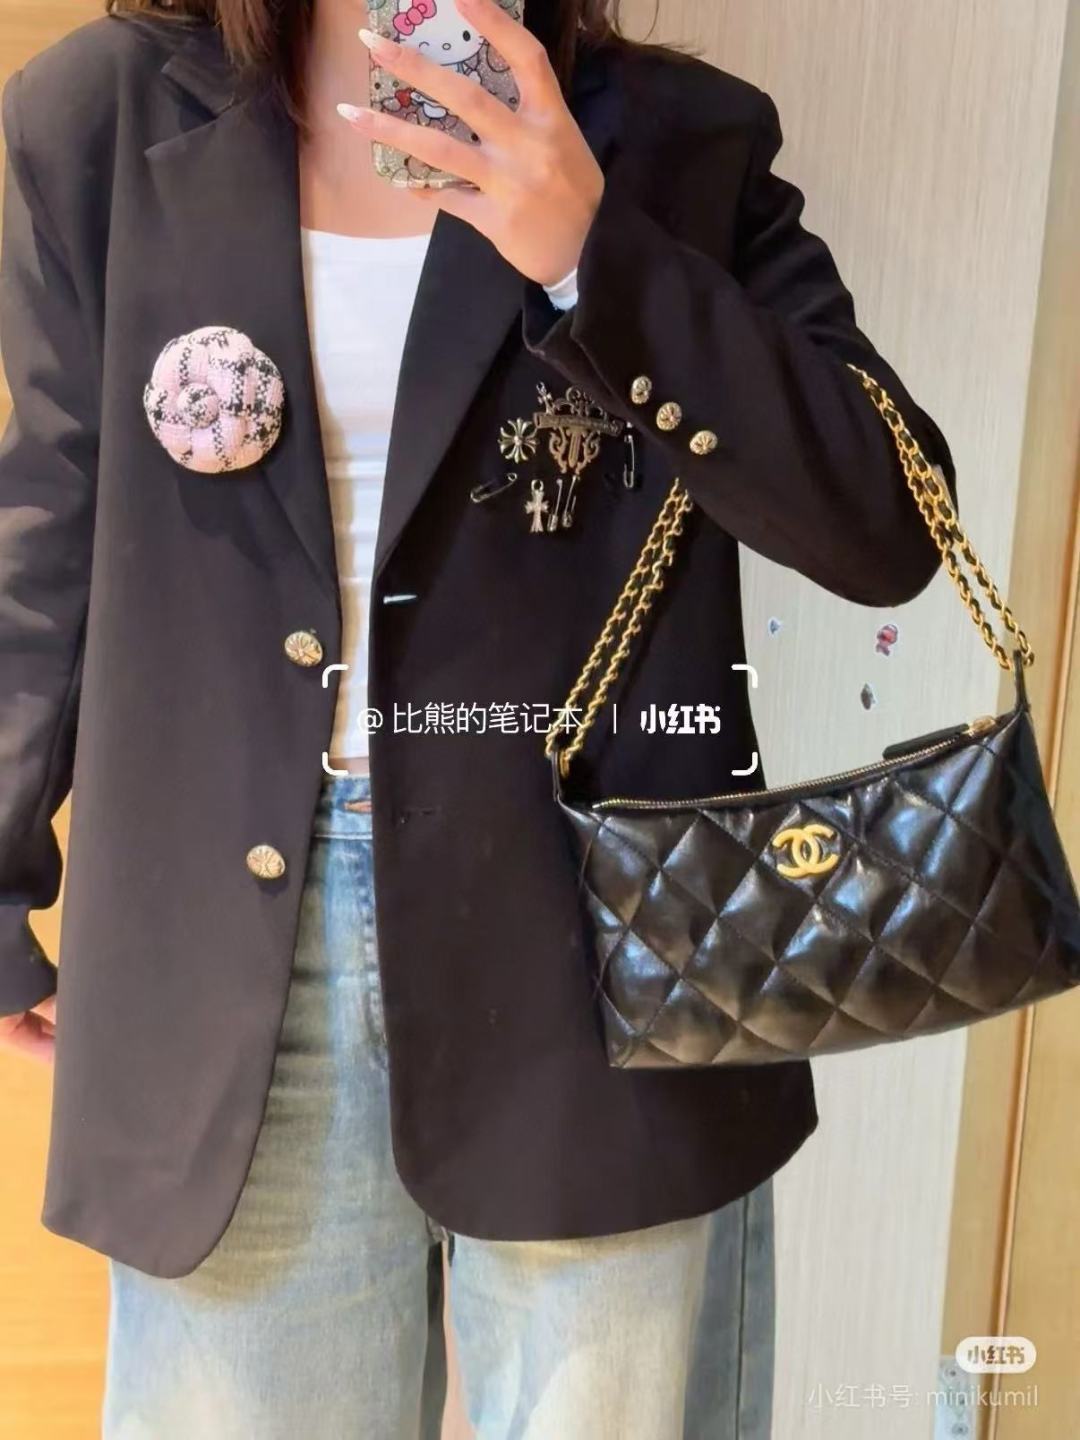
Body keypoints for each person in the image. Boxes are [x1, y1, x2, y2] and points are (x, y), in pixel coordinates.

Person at [0, 0, 956, 1433]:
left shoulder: (674, 143)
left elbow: (888, 522)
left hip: (607, 940)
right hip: (225, 952)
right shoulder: (107, 117)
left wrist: (594, 255)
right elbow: (48, 522)